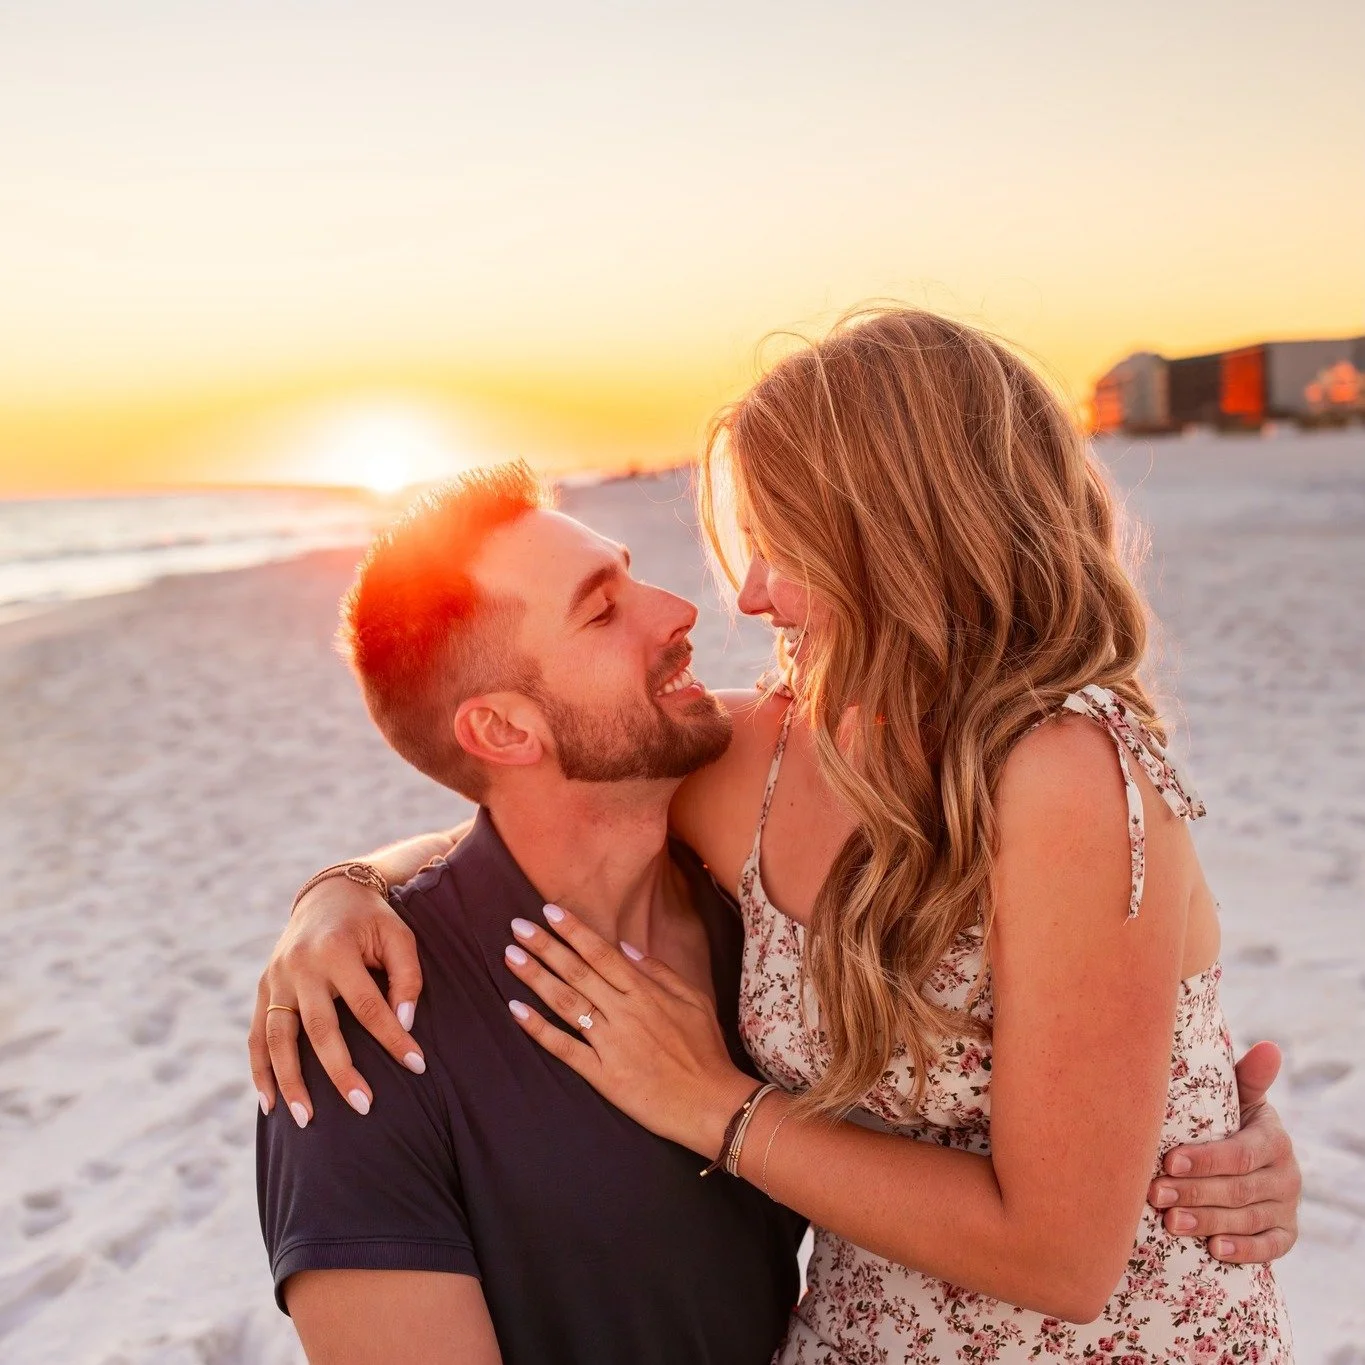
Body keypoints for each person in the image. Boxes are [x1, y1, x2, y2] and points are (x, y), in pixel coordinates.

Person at [252, 311, 1302, 1359]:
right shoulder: (767, 754)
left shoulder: (1064, 771)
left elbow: (1065, 1257)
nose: (745, 595)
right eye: (602, 604)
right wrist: (339, 892)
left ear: (900, 536)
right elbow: (552, 803)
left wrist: (718, 1107)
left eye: (783, 540)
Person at [256, 465, 806, 1365]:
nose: (679, 610)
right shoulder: (360, 1029)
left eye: (631, 575)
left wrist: (340, 878)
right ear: (505, 731)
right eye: (602, 609)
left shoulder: (756, 914)